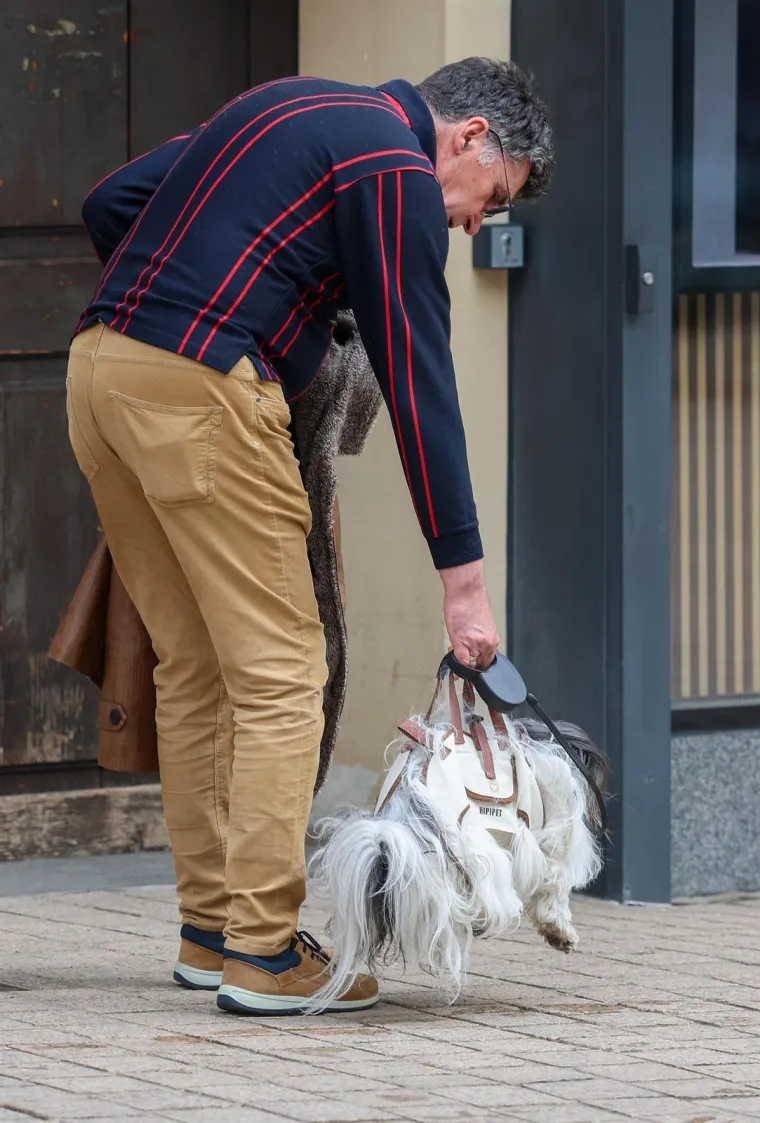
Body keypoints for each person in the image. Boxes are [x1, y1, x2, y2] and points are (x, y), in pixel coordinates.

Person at [66, 56, 553, 1015]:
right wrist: (464, 581)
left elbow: (110, 201)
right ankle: (261, 949)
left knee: (197, 662)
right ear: (469, 138)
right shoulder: (398, 171)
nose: (469, 223)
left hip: (99, 374)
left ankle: (211, 931)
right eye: (488, 199)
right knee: (287, 668)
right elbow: (418, 381)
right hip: (203, 389)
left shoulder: (291, 105)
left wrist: (212, 307)